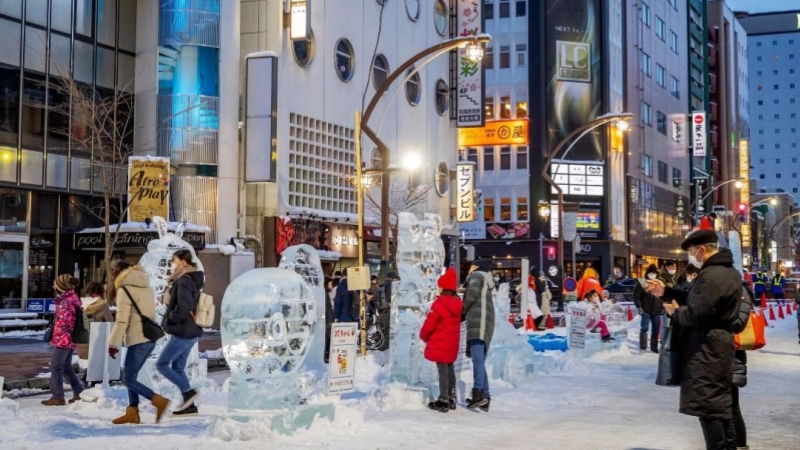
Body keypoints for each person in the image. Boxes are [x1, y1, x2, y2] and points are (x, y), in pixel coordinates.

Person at [648, 229, 741, 450]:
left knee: (709, 409)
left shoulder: (711, 275)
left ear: (701, 249)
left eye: (691, 251)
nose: (692, 256)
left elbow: (696, 313)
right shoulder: (727, 272)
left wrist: (675, 312)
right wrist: (667, 292)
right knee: (720, 408)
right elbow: (698, 299)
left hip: (707, 349)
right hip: (716, 346)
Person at [108, 261, 170, 424]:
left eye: (113, 271)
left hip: (138, 339)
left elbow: (122, 321)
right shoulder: (147, 288)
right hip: (150, 337)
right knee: (132, 377)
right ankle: (132, 412)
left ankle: (159, 401)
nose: (111, 273)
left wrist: (113, 344)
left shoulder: (124, 290)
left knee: (128, 379)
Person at [157, 249, 205, 417]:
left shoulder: (184, 280)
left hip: (183, 330)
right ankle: (189, 404)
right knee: (177, 367)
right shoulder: (191, 278)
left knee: (162, 364)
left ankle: (189, 393)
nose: (173, 263)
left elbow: (184, 305)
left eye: (174, 260)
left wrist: (171, 318)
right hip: (190, 330)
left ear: (183, 262)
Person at [420, 267, 462, 413]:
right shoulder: (457, 303)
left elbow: (429, 323)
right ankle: (451, 398)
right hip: (451, 343)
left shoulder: (439, 303)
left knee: (442, 371)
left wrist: (423, 336)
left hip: (440, 341)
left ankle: (443, 400)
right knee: (450, 369)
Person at [41, 275, 85, 406]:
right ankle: (78, 392)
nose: (54, 287)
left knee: (55, 367)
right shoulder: (72, 299)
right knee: (66, 367)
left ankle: (57, 396)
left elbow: (64, 324)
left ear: (61, 287)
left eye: (56, 285)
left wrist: (56, 335)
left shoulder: (66, 302)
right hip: (70, 339)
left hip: (63, 339)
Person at [461, 258, 495, 411]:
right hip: (485, 321)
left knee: (477, 359)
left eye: (472, 265)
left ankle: (478, 393)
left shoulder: (477, 276)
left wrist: (461, 311)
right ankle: (485, 397)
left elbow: (472, 294)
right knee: (479, 359)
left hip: (478, 320)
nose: (470, 267)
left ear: (478, 267)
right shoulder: (485, 279)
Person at [730, 282, 754, 450]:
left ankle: (740, 446)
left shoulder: (740, 289)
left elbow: (738, 323)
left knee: (732, 407)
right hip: (723, 355)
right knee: (727, 408)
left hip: (733, 356)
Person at [77, 281, 113, 361]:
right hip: (97, 341)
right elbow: (111, 322)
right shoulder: (103, 305)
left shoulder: (81, 303)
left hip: (82, 341)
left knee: (87, 365)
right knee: (96, 365)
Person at [634, 264, 664, 354]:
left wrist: (663, 306)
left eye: (654, 273)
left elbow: (663, 296)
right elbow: (636, 295)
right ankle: (643, 347)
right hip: (645, 309)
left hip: (657, 310)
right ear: (647, 273)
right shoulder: (643, 282)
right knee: (644, 328)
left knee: (656, 329)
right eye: (651, 273)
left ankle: (654, 348)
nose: (652, 275)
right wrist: (639, 306)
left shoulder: (659, 282)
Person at [324, 276, 334, 364]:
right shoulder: (324, 293)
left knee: (328, 337)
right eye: (331, 284)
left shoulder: (325, 292)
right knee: (327, 337)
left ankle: (326, 355)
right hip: (327, 319)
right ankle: (326, 355)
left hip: (328, 319)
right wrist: (329, 320)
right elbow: (326, 308)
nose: (332, 286)